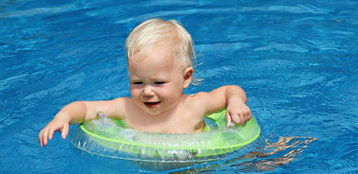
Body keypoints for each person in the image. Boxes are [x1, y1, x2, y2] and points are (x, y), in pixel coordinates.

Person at [39, 18, 251, 147]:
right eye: (138, 82)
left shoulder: (196, 106)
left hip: (197, 158)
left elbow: (230, 91)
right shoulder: (126, 109)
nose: (147, 92)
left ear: (186, 78)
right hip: (163, 169)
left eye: (158, 82)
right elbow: (85, 108)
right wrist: (62, 117)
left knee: (253, 162)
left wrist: (235, 103)